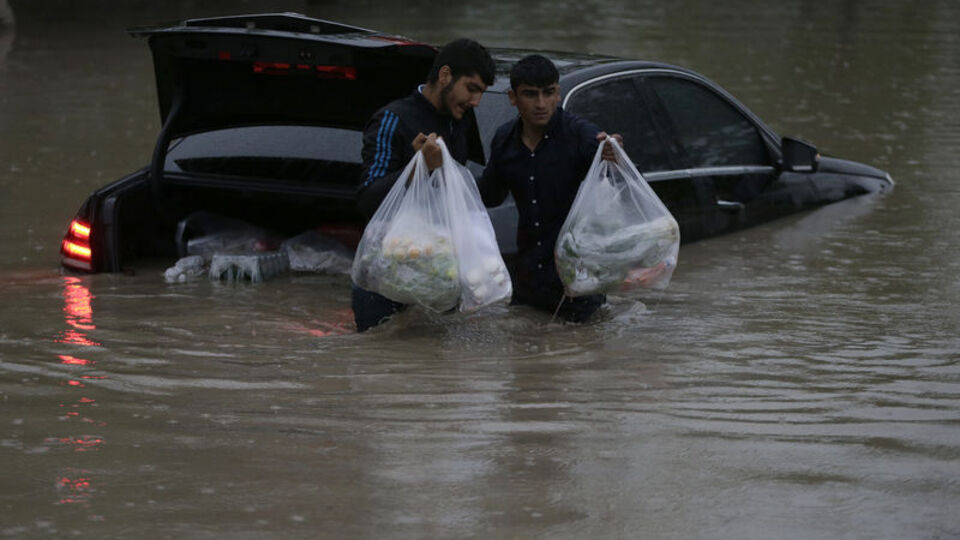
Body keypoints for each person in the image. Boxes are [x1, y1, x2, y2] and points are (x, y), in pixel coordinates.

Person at [353, 38, 496, 332]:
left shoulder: (461, 121)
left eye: (481, 93)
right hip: (387, 277)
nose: (476, 102)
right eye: (471, 89)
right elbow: (367, 199)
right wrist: (416, 168)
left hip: (439, 274)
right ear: (444, 75)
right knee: (380, 367)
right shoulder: (393, 119)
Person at [478, 54, 622, 322]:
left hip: (578, 289)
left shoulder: (580, 135)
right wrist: (445, 172)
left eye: (548, 93)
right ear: (513, 97)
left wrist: (616, 157)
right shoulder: (504, 140)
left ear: (558, 94)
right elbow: (490, 195)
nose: (541, 104)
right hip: (527, 288)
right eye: (530, 95)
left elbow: (618, 185)